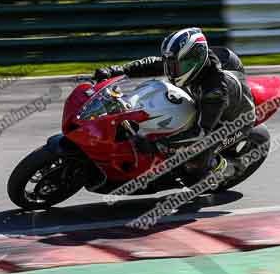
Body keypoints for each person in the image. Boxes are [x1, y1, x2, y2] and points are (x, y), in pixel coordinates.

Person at [93, 27, 255, 185]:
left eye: (176, 66)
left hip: (234, 122)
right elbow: (155, 63)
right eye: (171, 65)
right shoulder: (190, 63)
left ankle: (226, 168)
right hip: (206, 104)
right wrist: (117, 70)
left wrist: (156, 145)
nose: (171, 71)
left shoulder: (215, 90)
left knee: (195, 164)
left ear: (194, 61)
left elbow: (200, 132)